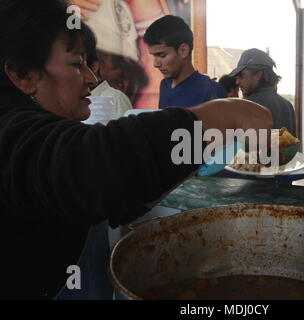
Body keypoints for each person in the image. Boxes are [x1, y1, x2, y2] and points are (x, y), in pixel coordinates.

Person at [0, 0, 272, 299]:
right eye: (77, 63)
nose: (91, 80)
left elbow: (112, 196)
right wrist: (224, 115)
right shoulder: (9, 130)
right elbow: (93, 163)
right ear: (23, 74)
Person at [144, 15, 227, 108]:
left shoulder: (210, 90)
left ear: (183, 50)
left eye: (162, 55)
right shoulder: (164, 85)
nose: (155, 64)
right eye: (153, 56)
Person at [229, 48, 297, 136]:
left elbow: (240, 148)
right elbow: (290, 147)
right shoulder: (287, 105)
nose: (237, 82)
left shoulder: (248, 106)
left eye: (241, 75)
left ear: (258, 75)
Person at [82, 23, 133, 119]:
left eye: (78, 66)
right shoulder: (72, 100)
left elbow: (127, 133)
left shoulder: (116, 99)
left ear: (94, 67)